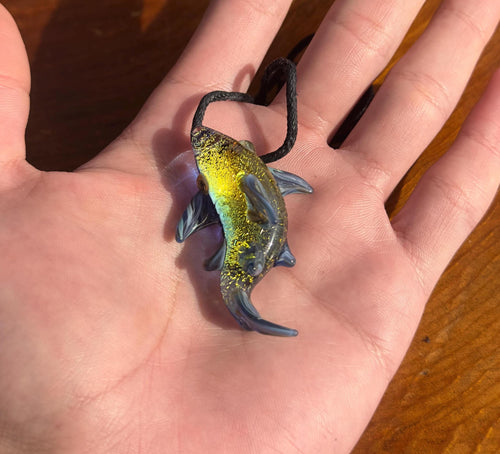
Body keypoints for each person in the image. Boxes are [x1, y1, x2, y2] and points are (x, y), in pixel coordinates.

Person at [0, 0, 498, 452]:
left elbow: (220, 206)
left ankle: (249, 303)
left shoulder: (241, 179)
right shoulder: (228, 178)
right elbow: (207, 209)